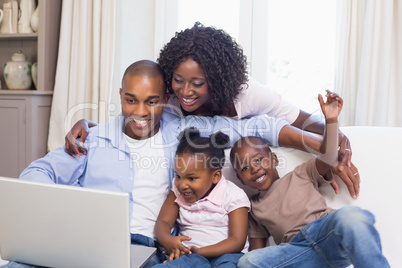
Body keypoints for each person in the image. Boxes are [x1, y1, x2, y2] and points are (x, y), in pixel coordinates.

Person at [1, 60, 326, 268]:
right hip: (84, 246)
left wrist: (321, 143)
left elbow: (258, 126)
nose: (140, 111)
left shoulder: (184, 135)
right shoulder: (94, 139)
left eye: (151, 101)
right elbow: (40, 171)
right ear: (120, 95)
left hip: (146, 250)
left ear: (166, 100)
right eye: (131, 100)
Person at [65, 22, 360, 199]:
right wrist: (90, 125)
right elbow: (137, 116)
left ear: (217, 79)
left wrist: (336, 140)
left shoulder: (247, 93)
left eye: (197, 83)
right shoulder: (170, 100)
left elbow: (299, 120)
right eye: (178, 81)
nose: (185, 92)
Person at [230, 91, 389, 268]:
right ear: (240, 179)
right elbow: (256, 250)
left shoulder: (301, 173)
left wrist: (331, 121)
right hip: (297, 252)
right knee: (247, 262)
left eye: (259, 159)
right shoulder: (254, 208)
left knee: (352, 216)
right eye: (244, 168)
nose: (254, 168)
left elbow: (328, 156)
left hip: (326, 234)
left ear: (274, 159)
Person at [153, 128, 249, 267]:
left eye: (191, 178)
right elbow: (163, 222)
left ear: (215, 176)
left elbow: (237, 241)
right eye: (178, 176)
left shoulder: (233, 195)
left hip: (228, 255)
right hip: (190, 256)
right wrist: (168, 240)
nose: (182, 184)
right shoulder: (177, 192)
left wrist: (201, 251)